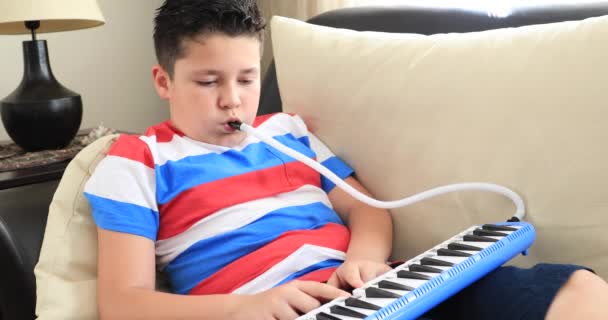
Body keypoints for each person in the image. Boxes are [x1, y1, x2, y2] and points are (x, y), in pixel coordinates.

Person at [84, 0, 608, 319]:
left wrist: (366, 259)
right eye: (207, 82)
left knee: (577, 289)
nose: (233, 100)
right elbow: (124, 305)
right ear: (163, 82)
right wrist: (241, 309)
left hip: (382, 294)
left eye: (246, 79)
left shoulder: (287, 133)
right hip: (266, 311)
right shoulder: (136, 160)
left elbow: (368, 209)